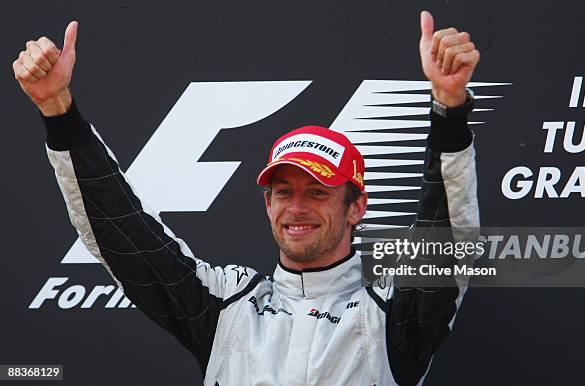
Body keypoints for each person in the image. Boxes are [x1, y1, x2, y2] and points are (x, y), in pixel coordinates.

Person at [13, 10, 480, 386]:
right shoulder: (227, 306)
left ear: (356, 206)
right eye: (283, 191)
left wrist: (448, 107)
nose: (296, 207)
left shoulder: (391, 315)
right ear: (267, 203)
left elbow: (449, 231)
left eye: (317, 192)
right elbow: (123, 234)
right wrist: (58, 110)